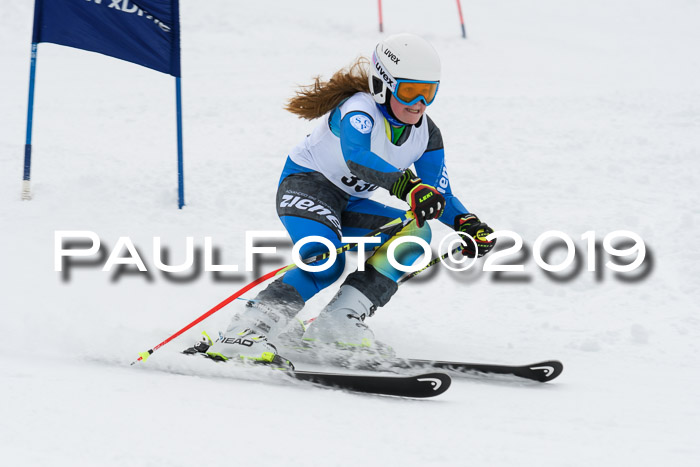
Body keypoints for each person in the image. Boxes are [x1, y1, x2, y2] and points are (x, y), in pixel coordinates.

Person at [187, 33, 495, 367]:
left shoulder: (426, 133)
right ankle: (248, 329)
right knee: (323, 256)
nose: (419, 102)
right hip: (307, 186)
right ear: (383, 84)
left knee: (415, 236)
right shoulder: (358, 109)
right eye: (409, 91)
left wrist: (466, 223)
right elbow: (357, 157)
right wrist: (409, 188)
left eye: (429, 92)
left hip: (350, 202)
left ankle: (338, 322)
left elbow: (438, 195)